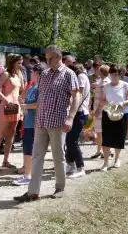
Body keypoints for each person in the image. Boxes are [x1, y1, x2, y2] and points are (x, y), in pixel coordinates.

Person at [14, 45, 81, 203]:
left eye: (50, 58)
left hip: (58, 121)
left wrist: (70, 117)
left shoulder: (69, 74)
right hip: (42, 120)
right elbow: (40, 99)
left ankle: (59, 187)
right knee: (37, 155)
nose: (47, 61)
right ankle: (32, 191)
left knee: (58, 156)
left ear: (59, 57)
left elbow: (76, 97)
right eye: (46, 58)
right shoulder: (44, 74)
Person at [99, 64, 128, 170]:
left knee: (119, 137)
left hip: (122, 114)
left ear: (120, 75)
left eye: (116, 74)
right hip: (108, 114)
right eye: (112, 74)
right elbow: (101, 100)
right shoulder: (106, 87)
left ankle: (117, 158)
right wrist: (108, 103)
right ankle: (105, 163)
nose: (113, 76)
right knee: (106, 138)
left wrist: (122, 104)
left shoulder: (125, 85)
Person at [13, 65, 40, 187]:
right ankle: (27, 173)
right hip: (28, 123)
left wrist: (25, 106)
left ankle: (28, 176)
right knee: (27, 148)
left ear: (36, 73)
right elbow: (26, 102)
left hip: (35, 123)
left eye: (32, 71)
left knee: (30, 150)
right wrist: (22, 103)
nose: (30, 74)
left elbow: (39, 104)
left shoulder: (41, 87)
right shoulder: (31, 86)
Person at [65, 63, 90, 179]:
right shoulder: (83, 76)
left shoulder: (80, 77)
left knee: (73, 141)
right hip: (77, 112)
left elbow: (78, 94)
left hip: (79, 112)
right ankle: (70, 165)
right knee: (69, 140)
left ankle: (81, 167)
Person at [89, 64, 110, 159]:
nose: (95, 70)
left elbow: (104, 98)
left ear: (101, 71)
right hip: (98, 107)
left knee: (101, 131)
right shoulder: (102, 81)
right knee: (99, 131)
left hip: (101, 109)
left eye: (97, 69)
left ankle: (103, 151)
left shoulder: (105, 82)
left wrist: (97, 110)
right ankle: (100, 150)